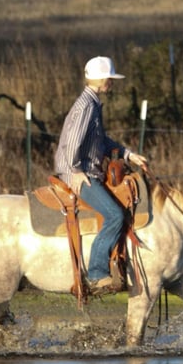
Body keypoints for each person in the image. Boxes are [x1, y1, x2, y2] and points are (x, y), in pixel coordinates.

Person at [54, 56, 148, 294]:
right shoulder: (87, 106)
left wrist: (128, 155)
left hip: (84, 170)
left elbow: (102, 141)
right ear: (101, 79)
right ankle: (96, 272)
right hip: (79, 173)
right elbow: (72, 142)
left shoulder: (92, 103)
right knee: (115, 214)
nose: (112, 83)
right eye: (110, 79)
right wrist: (75, 171)